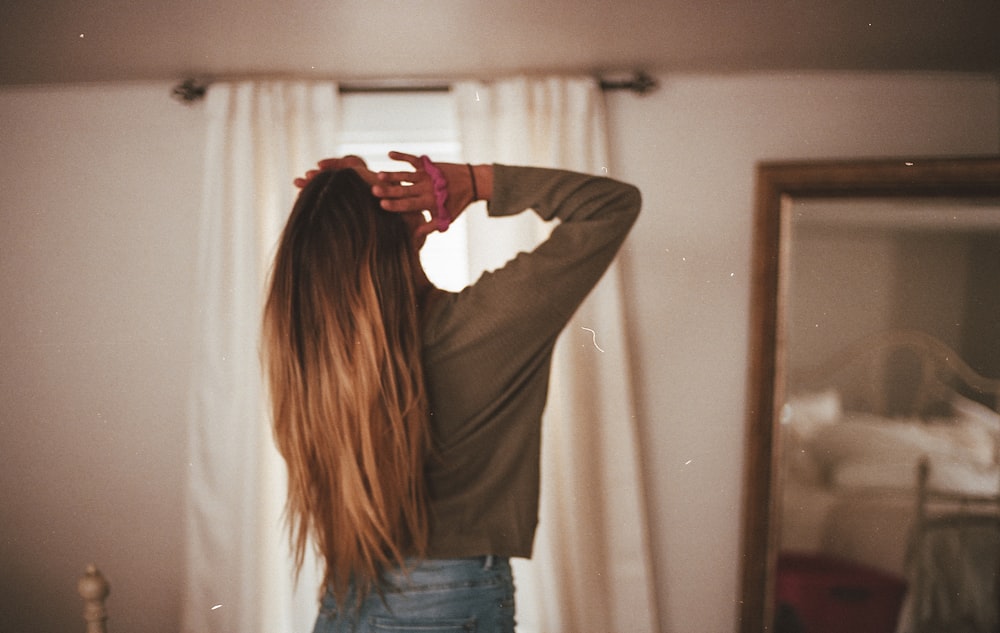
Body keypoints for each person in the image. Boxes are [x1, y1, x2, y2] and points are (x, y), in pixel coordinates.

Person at [261, 151, 640, 633]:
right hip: (447, 598)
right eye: (387, 187)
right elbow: (612, 204)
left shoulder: (309, 347)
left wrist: (337, 202)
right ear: (412, 227)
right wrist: (479, 182)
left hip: (346, 593)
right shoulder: (485, 325)